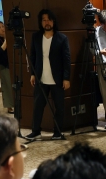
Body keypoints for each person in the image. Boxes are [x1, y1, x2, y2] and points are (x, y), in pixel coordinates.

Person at [25, 9, 70, 141]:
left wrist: (66, 78)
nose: (47, 22)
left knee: (59, 107)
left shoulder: (62, 38)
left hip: (57, 79)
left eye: (49, 19)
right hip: (40, 78)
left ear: (54, 21)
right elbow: (32, 56)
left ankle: (57, 131)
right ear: (41, 22)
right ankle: (35, 131)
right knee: (38, 106)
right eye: (44, 20)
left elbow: (66, 59)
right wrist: (32, 74)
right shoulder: (36, 37)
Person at [0, 21, 14, 114]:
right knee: (7, 86)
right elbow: (0, 51)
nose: (2, 28)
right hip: (3, 65)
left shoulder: (11, 38)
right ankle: (9, 106)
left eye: (3, 26)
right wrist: (7, 39)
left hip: (12, 64)